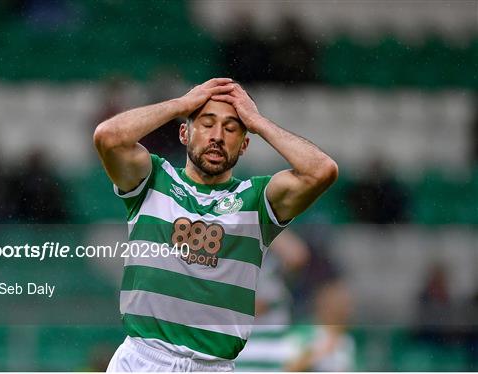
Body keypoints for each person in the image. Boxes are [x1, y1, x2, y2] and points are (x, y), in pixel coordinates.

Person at [93, 77, 338, 372]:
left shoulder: (257, 200)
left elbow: (321, 171)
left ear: (245, 144)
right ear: (184, 133)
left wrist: (257, 121)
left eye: (232, 128)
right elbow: (108, 137)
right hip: (143, 360)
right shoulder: (153, 179)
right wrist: (181, 105)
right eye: (207, 123)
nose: (218, 136)